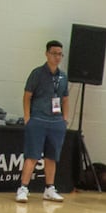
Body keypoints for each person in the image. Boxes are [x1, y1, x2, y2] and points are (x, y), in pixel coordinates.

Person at [17, 40, 69, 203]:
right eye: (54, 53)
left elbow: (65, 98)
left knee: (51, 157)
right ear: (47, 54)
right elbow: (27, 96)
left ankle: (49, 188)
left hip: (56, 122)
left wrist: (64, 119)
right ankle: (23, 188)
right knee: (32, 156)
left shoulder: (63, 77)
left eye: (60, 54)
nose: (57, 57)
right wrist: (27, 117)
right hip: (38, 119)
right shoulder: (37, 73)